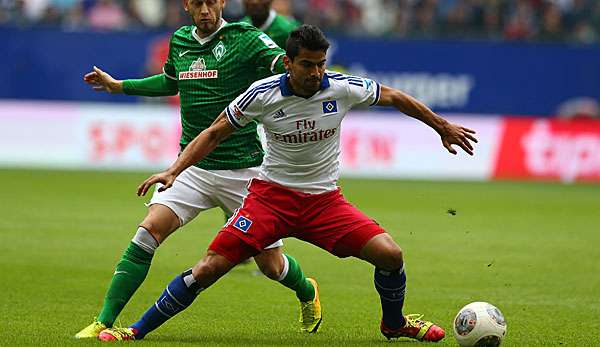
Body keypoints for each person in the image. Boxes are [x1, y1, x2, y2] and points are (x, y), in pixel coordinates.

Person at [97, 24, 477, 342]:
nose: (316, 73)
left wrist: (441, 127)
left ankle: (394, 324)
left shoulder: (340, 87)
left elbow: (393, 96)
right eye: (308, 65)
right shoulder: (262, 94)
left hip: (325, 203)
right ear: (289, 63)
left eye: (321, 64)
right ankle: (136, 330)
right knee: (209, 268)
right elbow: (214, 133)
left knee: (391, 255)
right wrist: (174, 170)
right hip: (270, 200)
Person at [75, 0, 320, 339]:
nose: (205, 9)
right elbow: (170, 82)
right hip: (193, 167)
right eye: (197, 3)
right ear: (187, 6)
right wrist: (120, 86)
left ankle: (307, 291)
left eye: (211, 2)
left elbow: (281, 63)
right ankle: (103, 320)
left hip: (244, 171)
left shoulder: (245, 37)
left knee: (271, 265)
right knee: (148, 232)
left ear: (221, 3)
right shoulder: (180, 41)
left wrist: (304, 72)